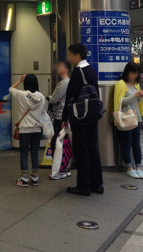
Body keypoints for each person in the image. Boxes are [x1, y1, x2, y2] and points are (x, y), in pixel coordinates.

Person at [62, 43, 103, 196]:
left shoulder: (77, 72)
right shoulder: (91, 69)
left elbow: (70, 96)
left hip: (80, 116)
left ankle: (83, 185)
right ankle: (97, 184)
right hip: (93, 114)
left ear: (77, 55)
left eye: (70, 55)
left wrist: (65, 117)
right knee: (93, 148)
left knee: (81, 150)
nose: (69, 58)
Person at [10, 74, 46, 187]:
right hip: (37, 129)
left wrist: (20, 80)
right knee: (35, 152)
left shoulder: (22, 94)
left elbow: (11, 89)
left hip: (25, 129)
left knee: (24, 153)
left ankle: (24, 178)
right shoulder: (41, 97)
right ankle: (35, 177)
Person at [114, 62, 143, 179]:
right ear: (127, 72)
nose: (134, 76)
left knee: (136, 144)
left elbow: (137, 102)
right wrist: (134, 96)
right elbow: (119, 102)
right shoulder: (121, 84)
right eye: (133, 73)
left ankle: (138, 167)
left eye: (136, 73)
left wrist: (140, 95)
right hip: (126, 118)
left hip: (136, 118)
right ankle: (129, 167)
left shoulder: (136, 85)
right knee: (126, 143)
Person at [47, 60, 71, 154]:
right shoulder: (62, 82)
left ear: (67, 69)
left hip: (61, 117)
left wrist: (50, 97)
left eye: (61, 66)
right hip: (59, 116)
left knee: (57, 143)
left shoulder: (65, 83)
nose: (58, 67)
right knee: (57, 143)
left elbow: (54, 99)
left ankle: (59, 162)